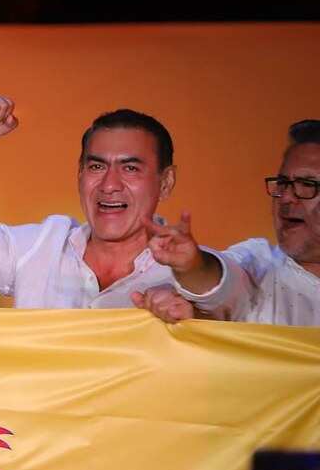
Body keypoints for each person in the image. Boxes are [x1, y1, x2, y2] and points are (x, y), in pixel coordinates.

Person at [0, 90, 224, 309]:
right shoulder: (40, 248)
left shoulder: (202, 277)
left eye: (130, 168)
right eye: (96, 166)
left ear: (165, 183)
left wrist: (193, 312)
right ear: (79, 174)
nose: (110, 185)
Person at [134, 119, 319, 326]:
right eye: (283, 183)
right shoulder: (257, 265)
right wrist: (192, 267)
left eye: (307, 184)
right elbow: (217, 283)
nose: (286, 197)